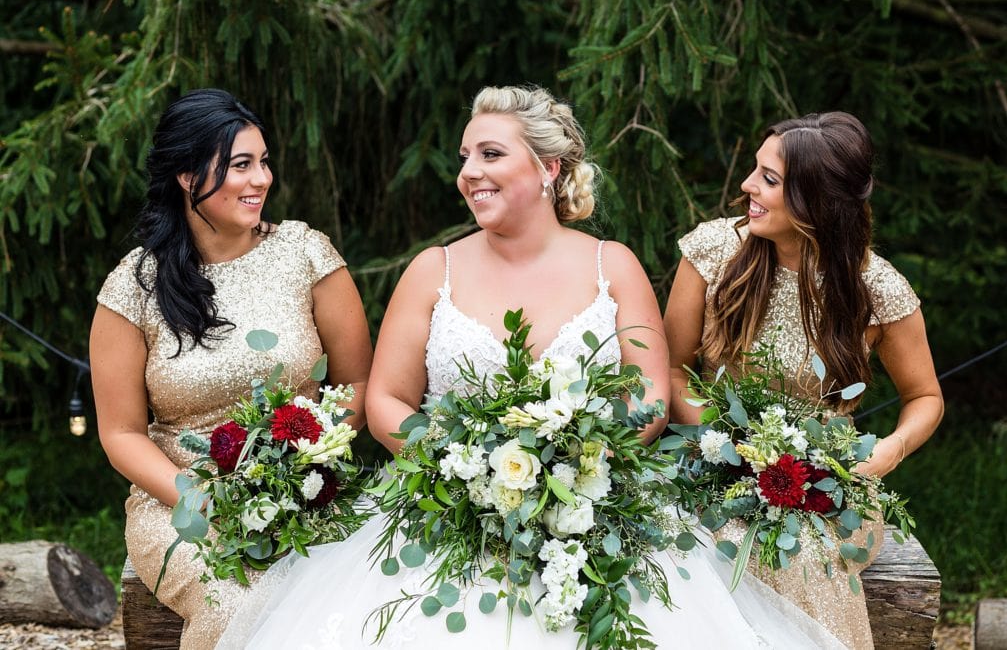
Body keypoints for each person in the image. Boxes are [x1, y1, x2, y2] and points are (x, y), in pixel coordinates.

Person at [217, 86, 845, 649]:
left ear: (548, 169)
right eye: (465, 157)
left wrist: (584, 459)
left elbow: (653, 392)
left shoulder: (613, 265)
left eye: (490, 155)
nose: (469, 172)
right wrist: (459, 464)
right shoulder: (432, 270)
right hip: (452, 512)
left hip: (601, 511)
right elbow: (385, 400)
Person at [90, 88, 373, 649]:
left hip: (304, 489)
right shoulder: (135, 287)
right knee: (241, 597)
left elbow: (357, 383)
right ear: (188, 178)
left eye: (263, 161)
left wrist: (305, 460)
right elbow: (120, 432)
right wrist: (199, 498)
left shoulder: (305, 253)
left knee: (361, 593)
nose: (261, 179)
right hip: (180, 504)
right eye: (241, 165)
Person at [663, 111, 944, 649]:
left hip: (824, 484)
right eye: (756, 170)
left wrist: (889, 451)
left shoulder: (876, 288)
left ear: (818, 201)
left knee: (800, 551)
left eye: (769, 179)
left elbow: (926, 397)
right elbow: (672, 368)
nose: (747, 185)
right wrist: (729, 445)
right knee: (717, 538)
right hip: (710, 463)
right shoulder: (714, 251)